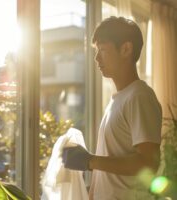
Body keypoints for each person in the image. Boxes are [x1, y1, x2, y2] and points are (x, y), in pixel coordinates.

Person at [62, 16, 162, 200]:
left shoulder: (139, 96)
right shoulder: (117, 100)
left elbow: (149, 163)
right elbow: (104, 175)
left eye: (102, 49)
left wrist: (89, 161)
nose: (96, 57)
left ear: (126, 49)